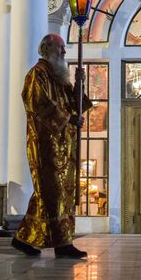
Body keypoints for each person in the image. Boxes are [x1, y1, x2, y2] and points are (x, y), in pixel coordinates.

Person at [11, 34, 91, 259]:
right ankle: (62, 245)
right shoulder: (37, 74)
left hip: (64, 146)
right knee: (51, 194)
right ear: (47, 49)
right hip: (45, 145)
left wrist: (78, 85)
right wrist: (68, 119)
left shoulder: (59, 76)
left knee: (55, 195)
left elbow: (77, 105)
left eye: (64, 48)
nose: (64, 52)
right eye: (61, 47)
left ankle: (23, 238)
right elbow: (39, 104)